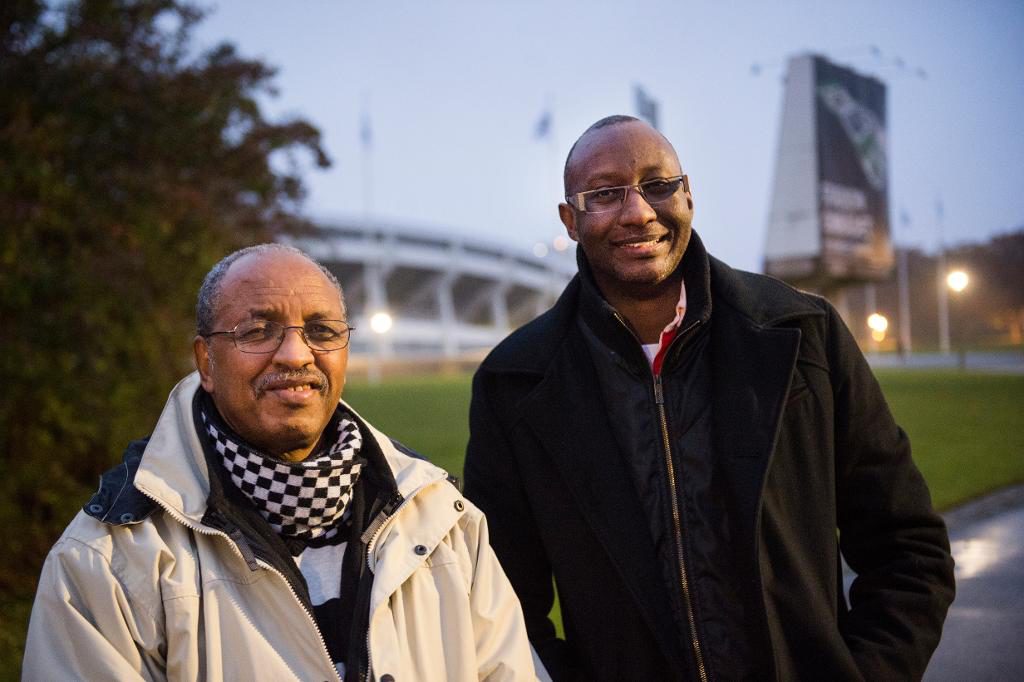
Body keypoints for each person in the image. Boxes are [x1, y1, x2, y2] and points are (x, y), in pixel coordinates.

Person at [464, 116, 955, 681]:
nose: (639, 212)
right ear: (570, 221)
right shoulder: (516, 382)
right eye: (604, 194)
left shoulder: (801, 334)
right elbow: (499, 610)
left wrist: (867, 672)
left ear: (688, 196)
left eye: (657, 184)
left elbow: (909, 547)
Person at [24, 244, 545, 681]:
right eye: (257, 331)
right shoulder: (107, 563)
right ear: (206, 361)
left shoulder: (445, 525)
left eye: (321, 331)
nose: (295, 354)